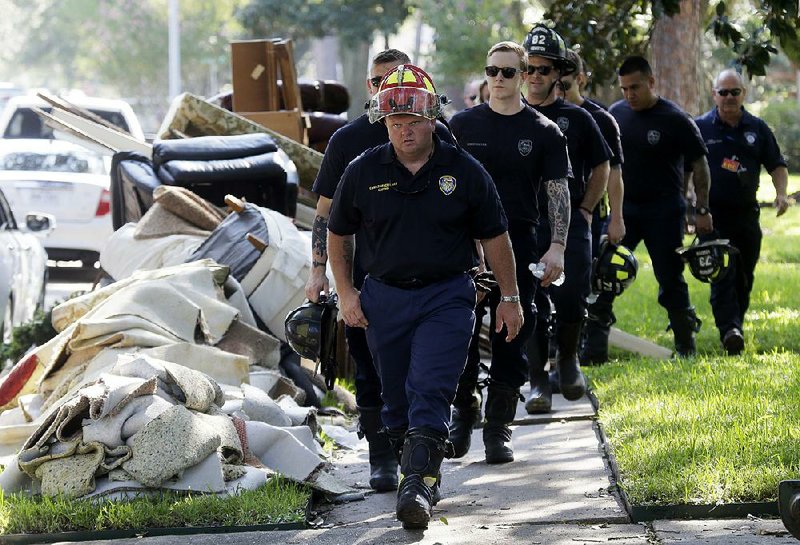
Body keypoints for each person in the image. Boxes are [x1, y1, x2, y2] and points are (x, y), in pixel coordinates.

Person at [327, 63, 523, 529]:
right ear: (384, 122)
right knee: (395, 401)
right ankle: (415, 466)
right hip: (383, 298)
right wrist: (346, 293)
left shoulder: (464, 170)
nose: (404, 131)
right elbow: (338, 235)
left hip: (447, 295)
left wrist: (510, 298)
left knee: (430, 388)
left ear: (432, 118)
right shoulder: (362, 170)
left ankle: (417, 487)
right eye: (395, 123)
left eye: (413, 122)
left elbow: (496, 238)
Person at [305, 49, 453, 493]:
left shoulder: (437, 134)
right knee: (370, 370)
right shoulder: (347, 141)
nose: (390, 92)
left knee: (423, 371)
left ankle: (420, 456)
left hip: (430, 278)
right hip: (369, 279)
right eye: (379, 83)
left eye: (400, 81)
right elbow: (325, 216)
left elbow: (464, 203)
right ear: (370, 89)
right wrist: (321, 274)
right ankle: (381, 453)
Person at [448, 40, 571, 462]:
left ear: (523, 76)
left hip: (521, 242)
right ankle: (463, 412)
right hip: (464, 245)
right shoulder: (461, 126)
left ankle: (498, 428)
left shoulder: (544, 132)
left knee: (512, 333)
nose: (498, 79)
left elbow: (558, 193)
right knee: (459, 329)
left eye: (508, 72)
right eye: (492, 70)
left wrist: (557, 247)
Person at [583, 55, 714, 361]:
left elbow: (700, 163)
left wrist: (702, 208)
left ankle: (685, 344)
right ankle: (593, 349)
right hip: (623, 210)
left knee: (670, 278)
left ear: (651, 82)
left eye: (635, 87)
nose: (629, 94)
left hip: (664, 211)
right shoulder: (615, 115)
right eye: (624, 88)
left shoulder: (675, 119)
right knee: (602, 274)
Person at [523, 25, 612, 414]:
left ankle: (570, 360)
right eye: (530, 68)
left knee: (573, 293)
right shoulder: (513, 115)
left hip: (571, 222)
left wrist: (588, 210)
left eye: (544, 69)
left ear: (558, 73)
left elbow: (603, 164)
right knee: (530, 302)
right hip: (525, 223)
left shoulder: (577, 118)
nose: (536, 76)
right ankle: (538, 382)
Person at [693, 67, 789, 354]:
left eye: (735, 92)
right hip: (712, 216)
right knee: (722, 274)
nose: (729, 97)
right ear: (714, 94)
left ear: (743, 94)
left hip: (747, 216)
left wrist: (782, 194)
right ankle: (729, 330)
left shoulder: (757, 128)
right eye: (723, 92)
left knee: (744, 277)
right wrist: (693, 210)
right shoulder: (700, 128)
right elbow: (685, 171)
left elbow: (777, 165)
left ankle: (736, 324)